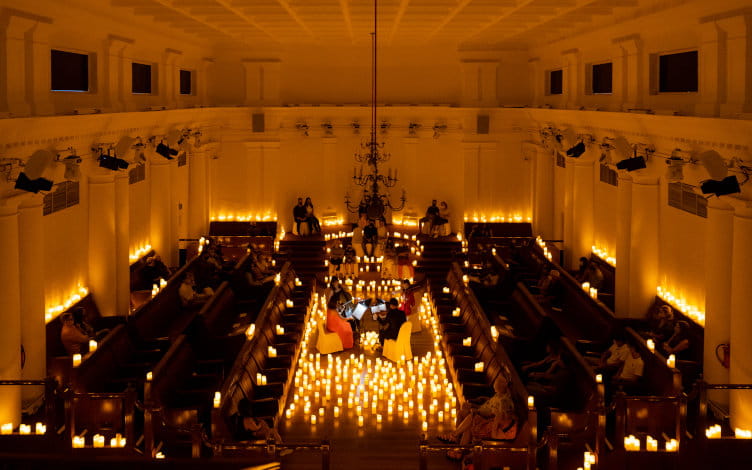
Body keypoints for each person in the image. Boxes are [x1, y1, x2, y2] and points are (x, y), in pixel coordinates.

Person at [436, 380, 518, 461]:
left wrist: (495, 422)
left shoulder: (506, 422)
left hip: (486, 432)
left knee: (471, 422)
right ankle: (458, 443)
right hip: (486, 425)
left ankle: (457, 442)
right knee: (469, 418)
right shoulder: (503, 412)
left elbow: (494, 436)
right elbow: (493, 418)